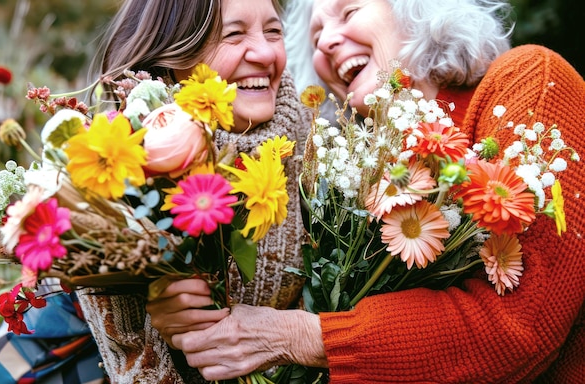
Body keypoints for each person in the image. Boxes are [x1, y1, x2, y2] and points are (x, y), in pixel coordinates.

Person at [147, 0, 585, 383]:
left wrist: (302, 337)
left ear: (420, 11)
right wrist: (189, 313)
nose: (325, 44)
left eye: (350, 11)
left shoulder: (527, 77)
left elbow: (523, 329)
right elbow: (309, 298)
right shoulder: (357, 177)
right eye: (314, 37)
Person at [75, 0, 312, 383]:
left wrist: (288, 334)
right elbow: (133, 363)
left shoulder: (312, 137)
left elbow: (340, 296)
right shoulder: (122, 166)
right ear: (171, 57)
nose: (267, 52)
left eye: (274, 31)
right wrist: (158, 316)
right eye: (234, 34)